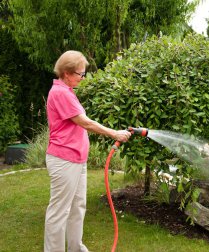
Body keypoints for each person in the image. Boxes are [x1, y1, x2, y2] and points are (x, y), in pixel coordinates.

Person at [44, 50, 131, 252]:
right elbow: (85, 123)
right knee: (59, 211)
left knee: (77, 207)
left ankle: (76, 247)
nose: (83, 78)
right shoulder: (60, 93)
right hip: (64, 159)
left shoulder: (68, 91)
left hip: (77, 159)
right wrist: (114, 133)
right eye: (80, 74)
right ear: (67, 73)